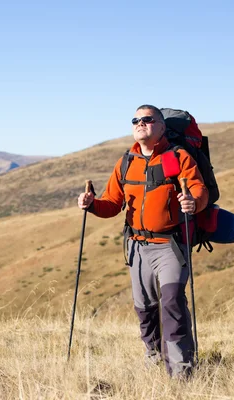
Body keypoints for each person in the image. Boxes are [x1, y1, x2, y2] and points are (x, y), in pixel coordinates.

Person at [78, 104, 208, 378]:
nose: (141, 123)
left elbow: (198, 188)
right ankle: (154, 359)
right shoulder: (127, 162)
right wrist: (91, 205)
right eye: (136, 119)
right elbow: (112, 204)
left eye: (148, 119)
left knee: (172, 301)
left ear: (161, 127)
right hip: (137, 247)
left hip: (171, 245)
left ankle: (181, 371)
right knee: (145, 308)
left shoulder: (176, 157)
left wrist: (193, 202)